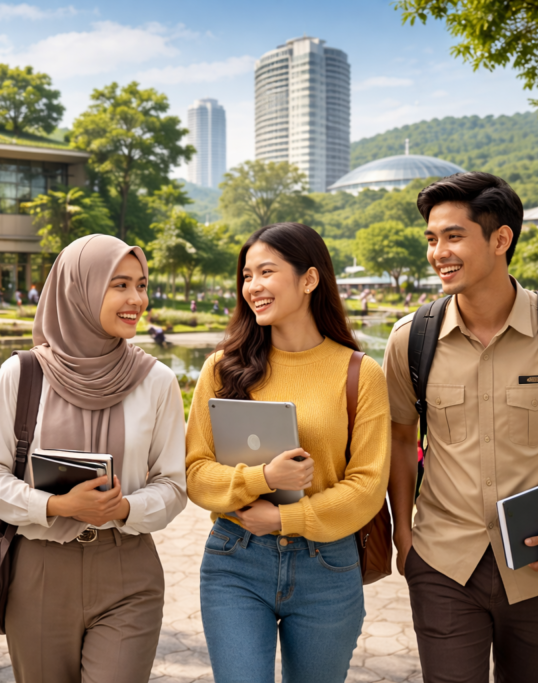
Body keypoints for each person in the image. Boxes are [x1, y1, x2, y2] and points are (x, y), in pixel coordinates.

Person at [384, 172, 538, 683]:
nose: (438, 253)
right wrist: (404, 535)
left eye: (454, 236)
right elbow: (399, 435)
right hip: (442, 564)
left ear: (501, 239)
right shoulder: (411, 339)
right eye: (432, 239)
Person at [0, 234, 187, 683]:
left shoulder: (157, 380)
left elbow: (173, 483)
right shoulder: (23, 373)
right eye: (119, 285)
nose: (136, 299)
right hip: (40, 570)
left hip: (128, 569)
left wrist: (126, 508)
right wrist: (56, 506)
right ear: (78, 288)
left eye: (141, 285)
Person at [184, 222, 390, 683]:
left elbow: (368, 487)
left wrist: (283, 519)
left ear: (309, 279)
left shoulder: (360, 373)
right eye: (246, 275)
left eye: (266, 272)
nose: (252, 286)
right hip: (236, 558)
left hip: (329, 567)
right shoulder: (223, 368)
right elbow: (196, 472)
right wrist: (262, 480)